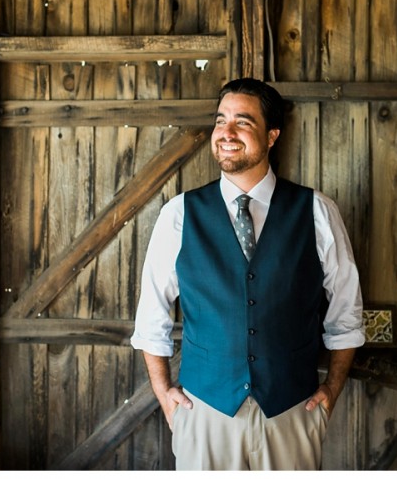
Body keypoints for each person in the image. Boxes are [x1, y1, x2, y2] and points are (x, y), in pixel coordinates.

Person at [130, 77, 365, 470]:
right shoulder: (180, 214)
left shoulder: (316, 211)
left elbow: (347, 313)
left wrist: (333, 389)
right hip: (205, 413)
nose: (227, 132)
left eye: (243, 121)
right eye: (221, 120)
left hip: (291, 413)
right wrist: (162, 391)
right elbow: (151, 316)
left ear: (272, 135)